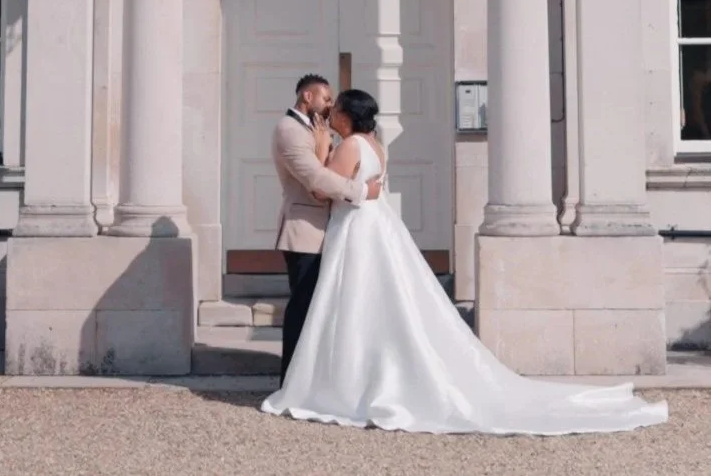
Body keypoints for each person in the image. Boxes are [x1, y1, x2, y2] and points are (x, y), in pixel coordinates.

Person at [262, 88, 668, 435]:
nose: (330, 114)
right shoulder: (376, 145)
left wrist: (323, 155)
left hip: (356, 226)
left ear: (348, 116)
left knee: (353, 299)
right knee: (373, 299)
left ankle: (346, 381)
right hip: (376, 225)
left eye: (336, 110)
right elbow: (362, 185)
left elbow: (325, 191)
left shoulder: (349, 145)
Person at [271, 74, 382, 384]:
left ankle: (318, 377)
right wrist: (362, 192)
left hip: (331, 231)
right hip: (304, 230)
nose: (331, 105)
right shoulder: (289, 130)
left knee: (323, 311)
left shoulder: (320, 130)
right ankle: (291, 381)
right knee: (303, 308)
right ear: (308, 96)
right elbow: (316, 180)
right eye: (326, 98)